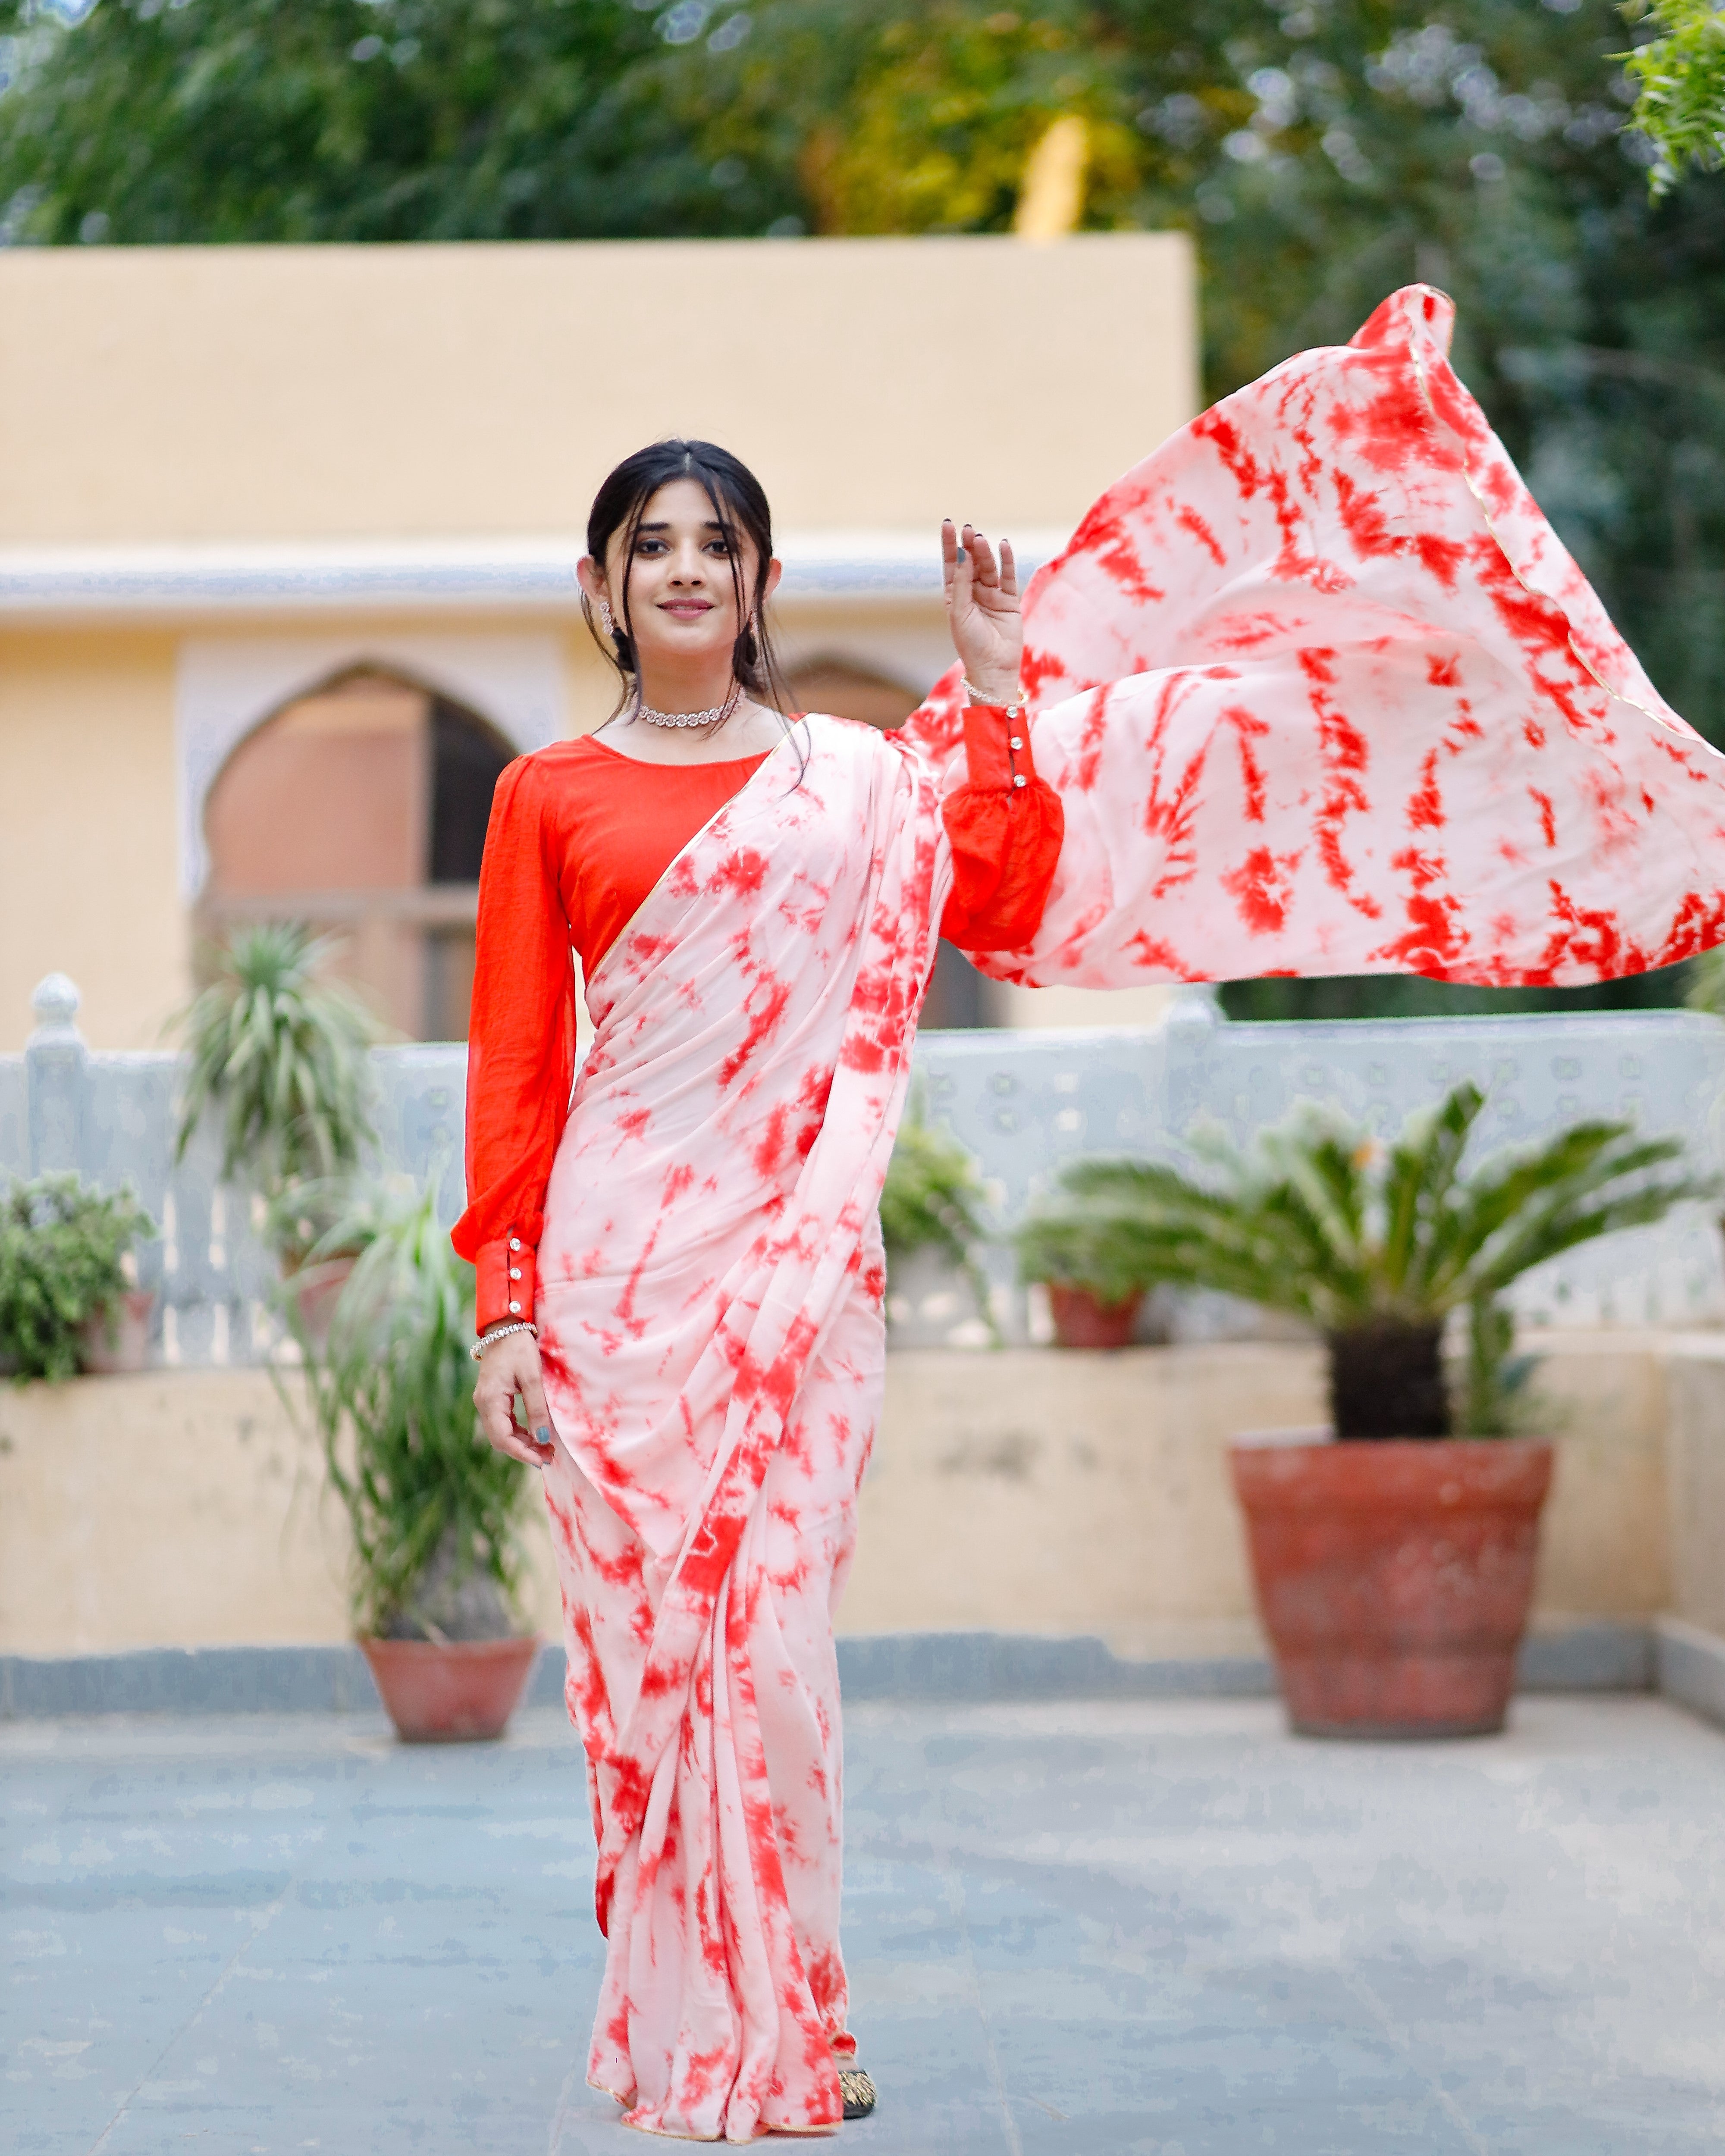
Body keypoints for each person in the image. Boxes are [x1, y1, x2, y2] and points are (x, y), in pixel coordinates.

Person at [455, 283, 1725, 2142]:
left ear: (761, 580)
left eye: (716, 543)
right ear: (600, 585)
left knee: (777, 1652)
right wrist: (502, 1305)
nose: (686, 570)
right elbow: (517, 1066)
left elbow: (1005, 880)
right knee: (650, 1674)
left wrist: (992, 681)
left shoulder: (853, 783)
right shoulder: (544, 794)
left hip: (796, 1282)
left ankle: (796, 2012)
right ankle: (686, 2019)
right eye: (653, 545)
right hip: (613, 1286)